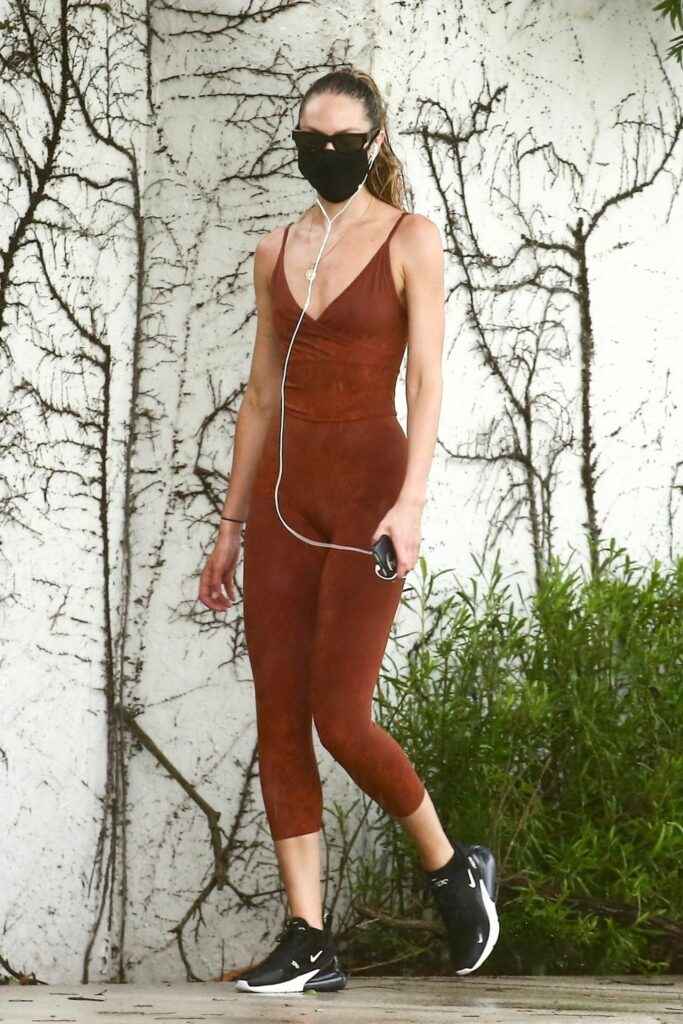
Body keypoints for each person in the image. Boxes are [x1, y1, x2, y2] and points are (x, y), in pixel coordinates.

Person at [198, 66, 500, 995]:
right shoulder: (274, 250)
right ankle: (309, 936)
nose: (323, 154)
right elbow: (259, 398)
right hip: (284, 505)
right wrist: (230, 528)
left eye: (340, 141)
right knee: (279, 717)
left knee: (340, 716)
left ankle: (451, 866)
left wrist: (410, 503)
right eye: (309, 141)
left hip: (369, 499)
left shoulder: (411, 239)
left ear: (372, 144)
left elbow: (428, 379)